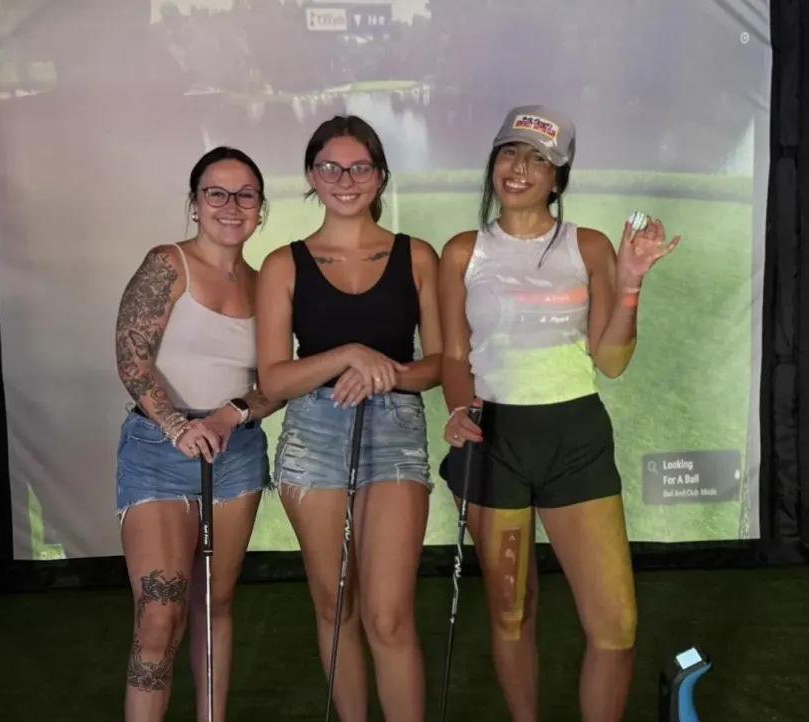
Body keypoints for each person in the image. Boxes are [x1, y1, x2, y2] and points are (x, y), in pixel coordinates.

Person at [438, 105, 680, 722]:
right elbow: (454, 353)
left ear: (558, 176)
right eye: (509, 153)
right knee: (511, 612)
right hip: (496, 439)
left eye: (538, 158)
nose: (519, 168)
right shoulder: (464, 251)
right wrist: (458, 408)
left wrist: (629, 286)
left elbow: (613, 360)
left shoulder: (590, 245)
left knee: (616, 623)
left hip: (575, 436)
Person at [255, 115, 443, 722]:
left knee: (389, 615)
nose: (345, 179)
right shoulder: (285, 264)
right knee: (337, 607)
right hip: (312, 435)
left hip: (395, 433)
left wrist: (385, 370)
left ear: (380, 175)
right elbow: (274, 379)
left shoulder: (417, 256)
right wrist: (346, 356)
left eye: (359, 167)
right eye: (330, 167)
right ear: (312, 176)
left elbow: (437, 363)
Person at [113, 146, 284, 722]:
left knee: (217, 603)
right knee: (161, 612)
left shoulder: (267, 285)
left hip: (235, 456)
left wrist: (230, 413)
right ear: (194, 203)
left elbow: (274, 385)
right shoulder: (169, 263)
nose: (231, 206)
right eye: (217, 193)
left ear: (261, 208)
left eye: (246, 195)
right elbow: (131, 356)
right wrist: (178, 425)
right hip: (158, 452)